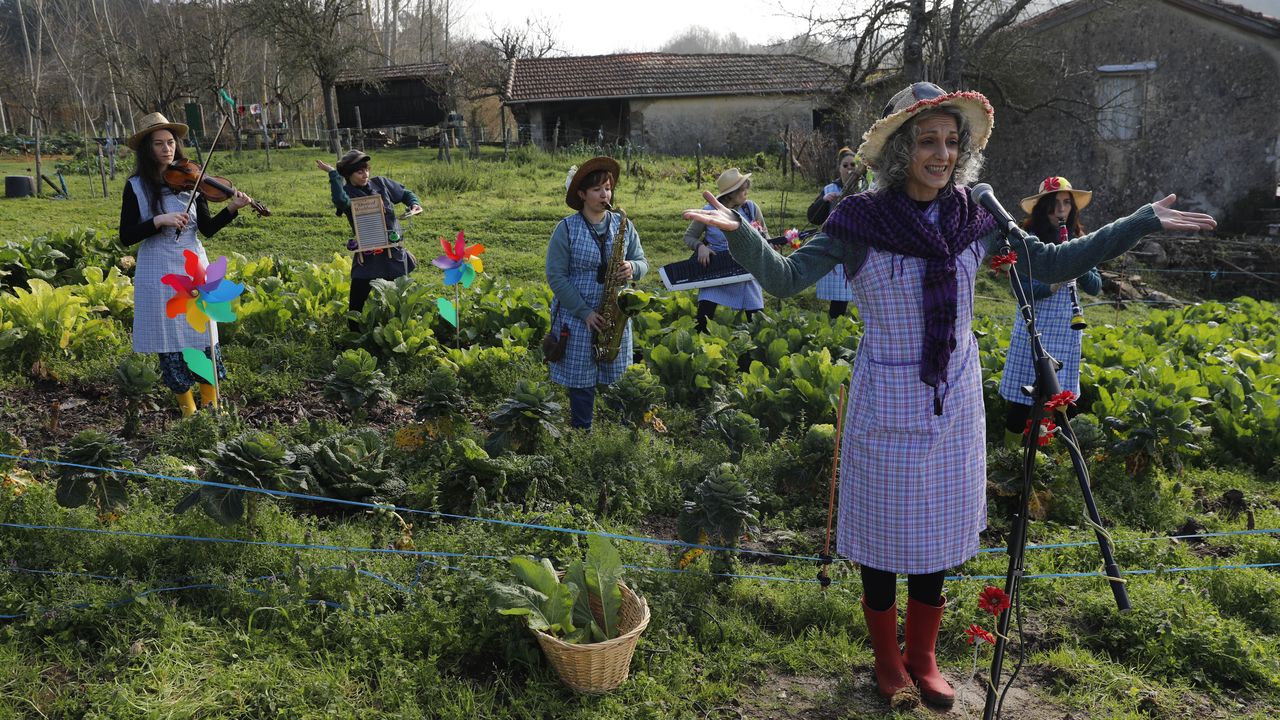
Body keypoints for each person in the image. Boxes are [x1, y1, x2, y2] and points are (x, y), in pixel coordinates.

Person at [683, 82, 1215, 708]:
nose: (941, 153)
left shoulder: (977, 215)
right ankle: (887, 661)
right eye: (927, 141)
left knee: (935, 534)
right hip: (886, 393)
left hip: (954, 395)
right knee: (883, 537)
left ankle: (923, 657)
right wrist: (740, 232)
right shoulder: (859, 223)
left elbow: (1048, 262)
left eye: (951, 142)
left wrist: (1141, 220)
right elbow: (788, 278)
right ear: (902, 149)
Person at [119, 112, 256, 418]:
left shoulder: (193, 177)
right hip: (158, 269)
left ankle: (211, 404)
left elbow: (206, 229)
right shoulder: (137, 186)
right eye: (158, 144)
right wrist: (158, 220)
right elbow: (126, 236)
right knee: (169, 340)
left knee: (202, 336)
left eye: (170, 142)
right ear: (146, 149)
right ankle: (188, 410)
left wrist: (232, 208)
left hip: (195, 268)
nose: (167, 149)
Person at [546, 157, 648, 430]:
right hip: (578, 314)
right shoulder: (566, 228)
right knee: (581, 381)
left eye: (608, 188)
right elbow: (556, 276)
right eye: (597, 190)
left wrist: (632, 268)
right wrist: (585, 312)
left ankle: (620, 431)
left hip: (613, 313)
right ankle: (583, 432)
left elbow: (642, 262)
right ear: (581, 195)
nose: (605, 195)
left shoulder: (623, 224)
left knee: (616, 377)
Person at [998, 176, 1101, 446]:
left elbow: (1096, 287)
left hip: (1067, 330)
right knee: (1020, 402)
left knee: (1061, 403)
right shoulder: (1027, 241)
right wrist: (1052, 284)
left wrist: (1079, 262)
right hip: (1034, 327)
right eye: (1054, 204)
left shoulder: (1080, 239)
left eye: (1066, 203)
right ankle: (1008, 457)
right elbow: (1019, 288)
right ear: (1043, 208)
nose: (1061, 210)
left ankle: (1061, 459)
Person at [316, 150, 421, 330]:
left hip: (392, 250)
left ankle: (401, 329)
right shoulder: (347, 193)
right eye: (359, 172)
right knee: (358, 294)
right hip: (369, 252)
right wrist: (333, 174)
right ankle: (354, 333)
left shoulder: (381, 184)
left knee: (401, 294)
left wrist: (414, 203)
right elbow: (340, 200)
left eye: (366, 170)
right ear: (349, 176)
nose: (365, 174)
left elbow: (405, 193)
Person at [682, 168, 769, 333]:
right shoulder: (708, 211)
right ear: (730, 195)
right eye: (743, 190)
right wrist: (701, 247)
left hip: (746, 268)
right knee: (703, 319)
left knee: (756, 320)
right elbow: (689, 237)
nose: (747, 193)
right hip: (716, 268)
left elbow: (765, 235)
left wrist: (770, 246)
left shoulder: (751, 209)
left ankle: (751, 353)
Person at [807, 147, 866, 318]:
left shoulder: (864, 189)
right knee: (839, 298)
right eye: (845, 165)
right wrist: (824, 202)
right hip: (836, 247)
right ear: (839, 168)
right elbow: (813, 217)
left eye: (852, 165)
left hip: (859, 247)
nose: (849, 169)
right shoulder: (830, 189)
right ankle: (836, 328)